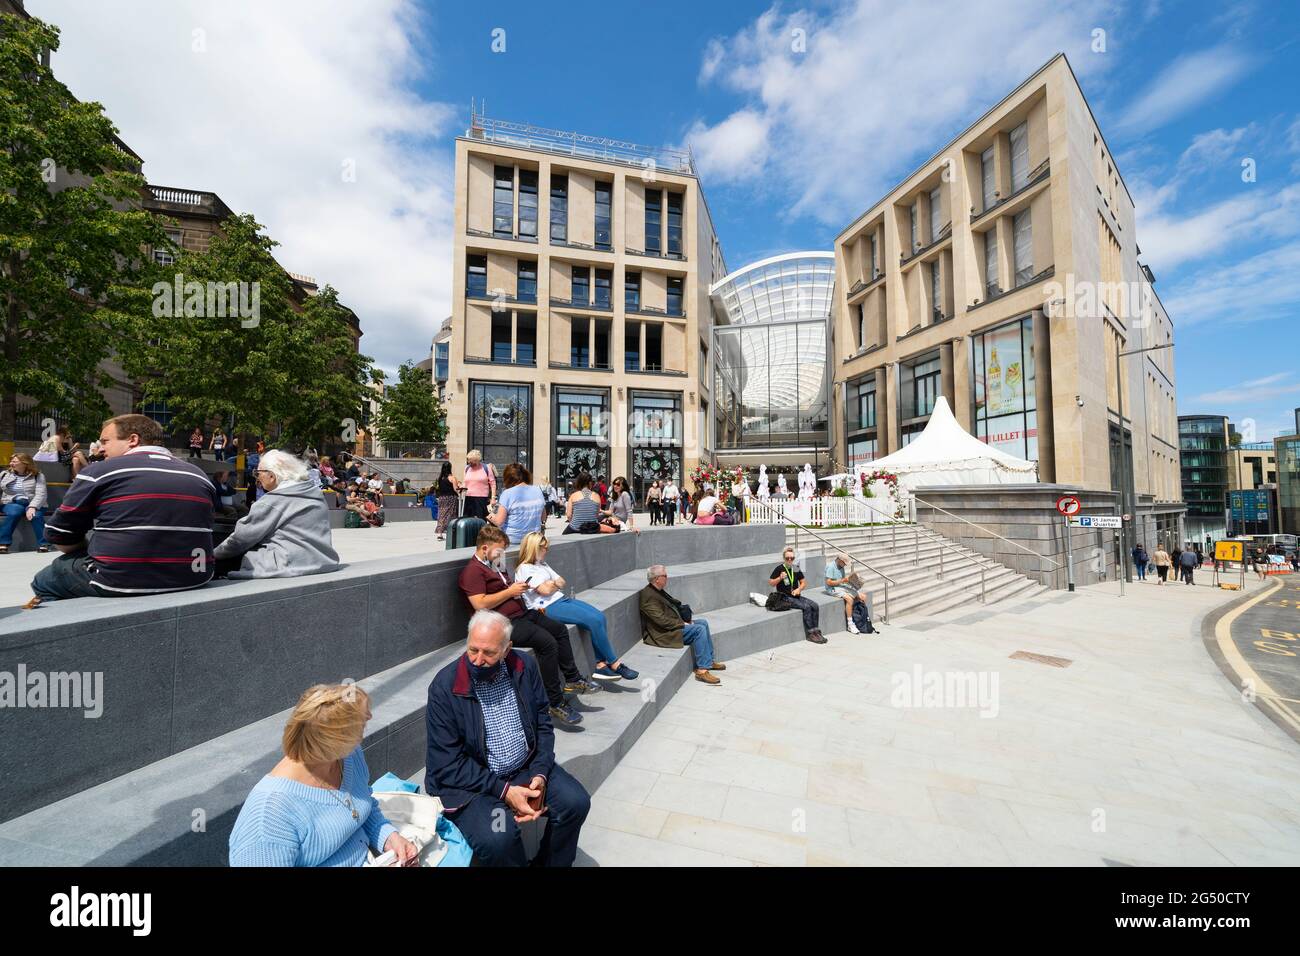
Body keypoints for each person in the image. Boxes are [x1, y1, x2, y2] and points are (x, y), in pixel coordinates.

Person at [425, 610, 591, 866]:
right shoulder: (445, 686)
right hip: (473, 785)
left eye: (488, 653)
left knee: (575, 802)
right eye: (473, 650)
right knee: (499, 836)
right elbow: (446, 764)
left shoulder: (524, 666)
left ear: (506, 649)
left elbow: (543, 723)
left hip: (524, 768)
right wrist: (504, 791)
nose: (478, 660)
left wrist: (540, 774)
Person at [32, 414, 217, 602]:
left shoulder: (100, 472)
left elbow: (59, 534)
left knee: (45, 580)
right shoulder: (200, 476)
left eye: (105, 441)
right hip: (196, 576)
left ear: (133, 440)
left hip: (118, 579)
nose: (101, 448)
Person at [229, 683, 417, 867]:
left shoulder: (349, 756)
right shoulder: (268, 818)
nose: (370, 716)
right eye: (362, 725)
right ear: (335, 744)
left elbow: (362, 808)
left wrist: (389, 838)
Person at [459, 524, 597, 727]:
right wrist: (510, 591)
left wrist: (520, 589)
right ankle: (555, 702)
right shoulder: (473, 571)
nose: (502, 553)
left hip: (522, 613)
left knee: (559, 629)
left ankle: (572, 678)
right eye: (499, 549)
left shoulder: (495, 564)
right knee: (547, 643)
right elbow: (479, 604)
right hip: (503, 623)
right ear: (485, 548)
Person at [515, 532, 639, 682]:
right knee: (593, 620)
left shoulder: (542, 564)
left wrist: (551, 584)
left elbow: (562, 581)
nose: (546, 550)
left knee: (599, 617)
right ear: (533, 547)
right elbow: (546, 590)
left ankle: (600, 664)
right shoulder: (525, 568)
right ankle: (614, 663)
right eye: (543, 547)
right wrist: (552, 585)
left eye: (547, 547)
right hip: (547, 607)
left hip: (560, 600)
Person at [213, 450, 340, 579]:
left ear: (272, 476)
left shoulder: (272, 501)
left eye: (258, 473)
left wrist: (211, 554)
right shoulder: (314, 493)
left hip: (286, 565)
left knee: (229, 557)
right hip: (323, 561)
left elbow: (241, 539)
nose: (257, 477)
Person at [639, 564, 726, 684]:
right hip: (663, 633)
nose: (667, 577)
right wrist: (682, 623)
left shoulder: (657, 591)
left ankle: (709, 661)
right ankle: (702, 670)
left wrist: (686, 619)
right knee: (699, 630)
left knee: (703, 623)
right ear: (657, 578)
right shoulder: (648, 595)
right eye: (665, 575)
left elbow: (674, 606)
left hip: (672, 625)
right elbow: (661, 621)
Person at [769, 547, 825, 643]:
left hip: (796, 595)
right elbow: (771, 583)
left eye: (792, 558)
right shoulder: (779, 569)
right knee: (806, 607)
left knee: (815, 605)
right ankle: (810, 634)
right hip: (784, 597)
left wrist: (799, 589)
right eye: (787, 558)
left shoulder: (796, 569)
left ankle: (816, 631)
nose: (790, 560)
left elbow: (803, 583)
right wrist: (779, 578)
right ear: (784, 558)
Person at [0, 453, 49, 554]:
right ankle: (3, 543)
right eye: (11, 461)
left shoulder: (38, 475)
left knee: (36, 515)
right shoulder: (5, 474)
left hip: (34, 502)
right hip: (10, 502)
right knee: (15, 511)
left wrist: (32, 507)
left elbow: (41, 493)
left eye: (14, 461)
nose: (11, 463)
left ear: (25, 463)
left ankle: (44, 544)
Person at [489, 463, 546, 544]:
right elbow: (543, 517)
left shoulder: (507, 493)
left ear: (508, 478)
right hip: (533, 540)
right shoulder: (537, 490)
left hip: (513, 540)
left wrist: (491, 516)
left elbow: (499, 522)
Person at [823, 553, 874, 634]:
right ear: (840, 560)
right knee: (849, 599)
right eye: (844, 563)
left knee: (862, 596)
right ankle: (850, 624)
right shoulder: (830, 566)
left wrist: (853, 583)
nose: (845, 565)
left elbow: (842, 580)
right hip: (832, 589)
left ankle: (861, 619)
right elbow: (828, 582)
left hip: (840, 586)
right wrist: (843, 581)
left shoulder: (841, 567)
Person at [462, 450, 496, 521]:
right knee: (467, 521)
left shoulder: (486, 468)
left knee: (480, 520)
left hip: (481, 499)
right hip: (468, 498)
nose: (469, 462)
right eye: (468, 460)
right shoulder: (467, 468)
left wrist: (493, 498)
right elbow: (464, 482)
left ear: (477, 460)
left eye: (471, 461)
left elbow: (493, 484)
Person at [433, 461, 460, 540]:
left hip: (442, 498)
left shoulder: (440, 478)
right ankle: (451, 532)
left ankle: (440, 533)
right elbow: (456, 489)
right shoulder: (452, 478)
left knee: (441, 515)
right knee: (451, 515)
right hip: (451, 498)